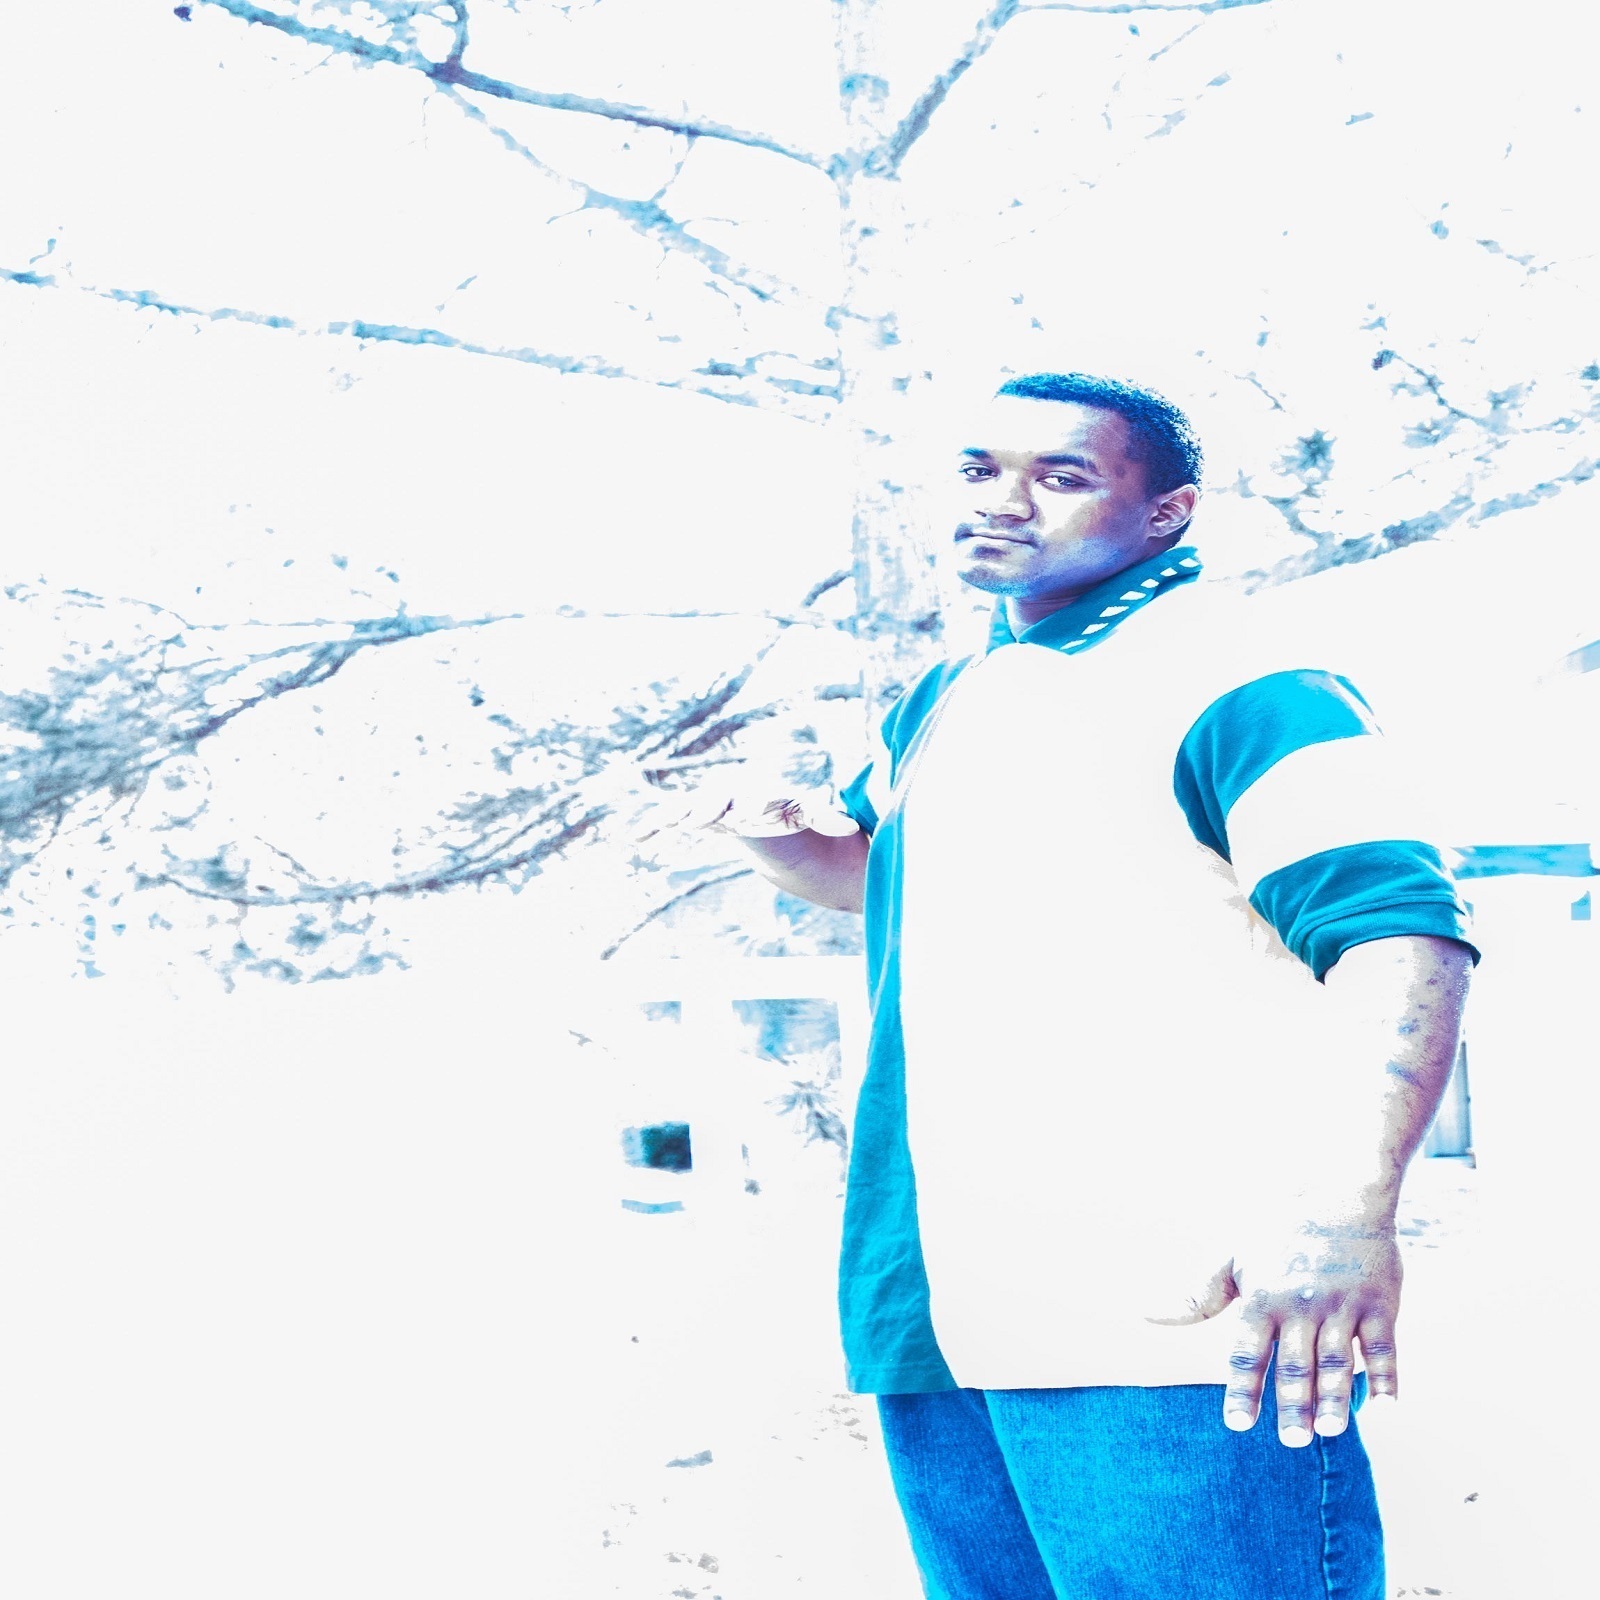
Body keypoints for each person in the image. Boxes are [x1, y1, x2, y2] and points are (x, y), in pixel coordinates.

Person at [678, 372, 1478, 1599]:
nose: (1002, 501)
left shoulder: (1245, 677)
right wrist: (776, 837)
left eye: (1061, 475)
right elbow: (873, 879)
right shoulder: (949, 694)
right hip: (938, 1317)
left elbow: (1399, 935)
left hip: (1171, 1317)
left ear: (1167, 512)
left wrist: (1343, 1212)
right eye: (978, 468)